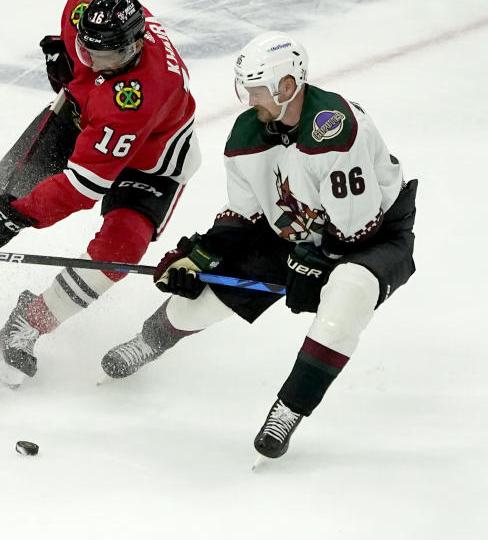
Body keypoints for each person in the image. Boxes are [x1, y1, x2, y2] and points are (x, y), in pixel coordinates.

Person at [101, 31, 418, 459]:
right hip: (302, 235)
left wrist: (315, 269)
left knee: (347, 294)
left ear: (287, 86)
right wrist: (200, 255)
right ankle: (148, 341)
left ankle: (288, 409)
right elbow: (246, 213)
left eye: (257, 90)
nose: (250, 101)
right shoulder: (249, 135)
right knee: (207, 296)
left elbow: (356, 230)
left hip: (372, 236)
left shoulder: (334, 129)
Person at [0, 0, 200, 387]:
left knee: (119, 252)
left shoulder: (139, 96)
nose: (94, 61)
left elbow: (82, 186)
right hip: (83, 118)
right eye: (87, 49)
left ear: (135, 46)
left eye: (108, 56)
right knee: (2, 191)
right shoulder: (91, 13)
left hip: (152, 160)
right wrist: (67, 50)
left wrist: (16, 215)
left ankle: (28, 323)